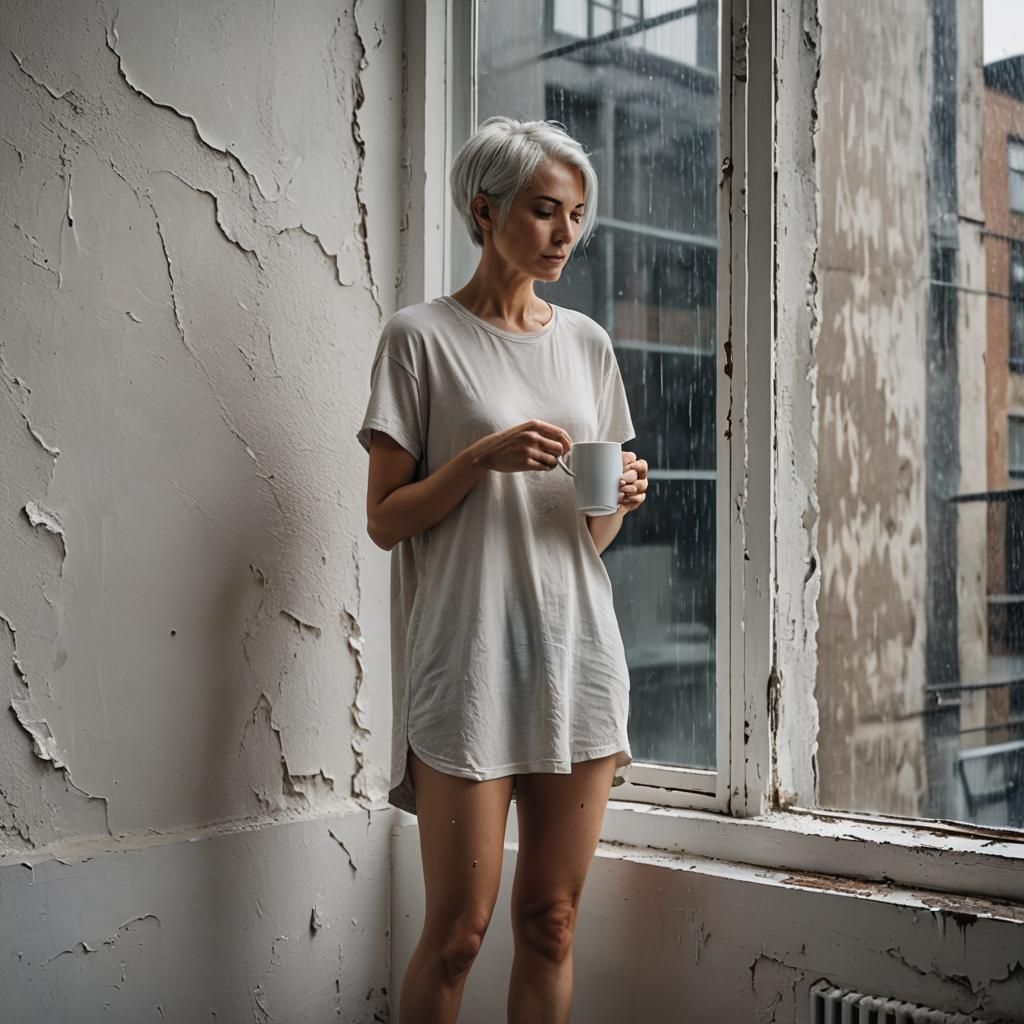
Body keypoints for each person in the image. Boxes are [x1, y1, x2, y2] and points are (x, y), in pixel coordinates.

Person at [357, 116, 649, 1024]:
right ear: (484, 213)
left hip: (578, 660)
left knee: (551, 921)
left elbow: (583, 542)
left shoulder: (588, 345)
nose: (567, 233)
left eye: (577, 215)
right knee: (457, 934)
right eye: (544, 211)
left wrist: (618, 504)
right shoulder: (420, 339)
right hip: (466, 662)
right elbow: (383, 520)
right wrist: (478, 459)